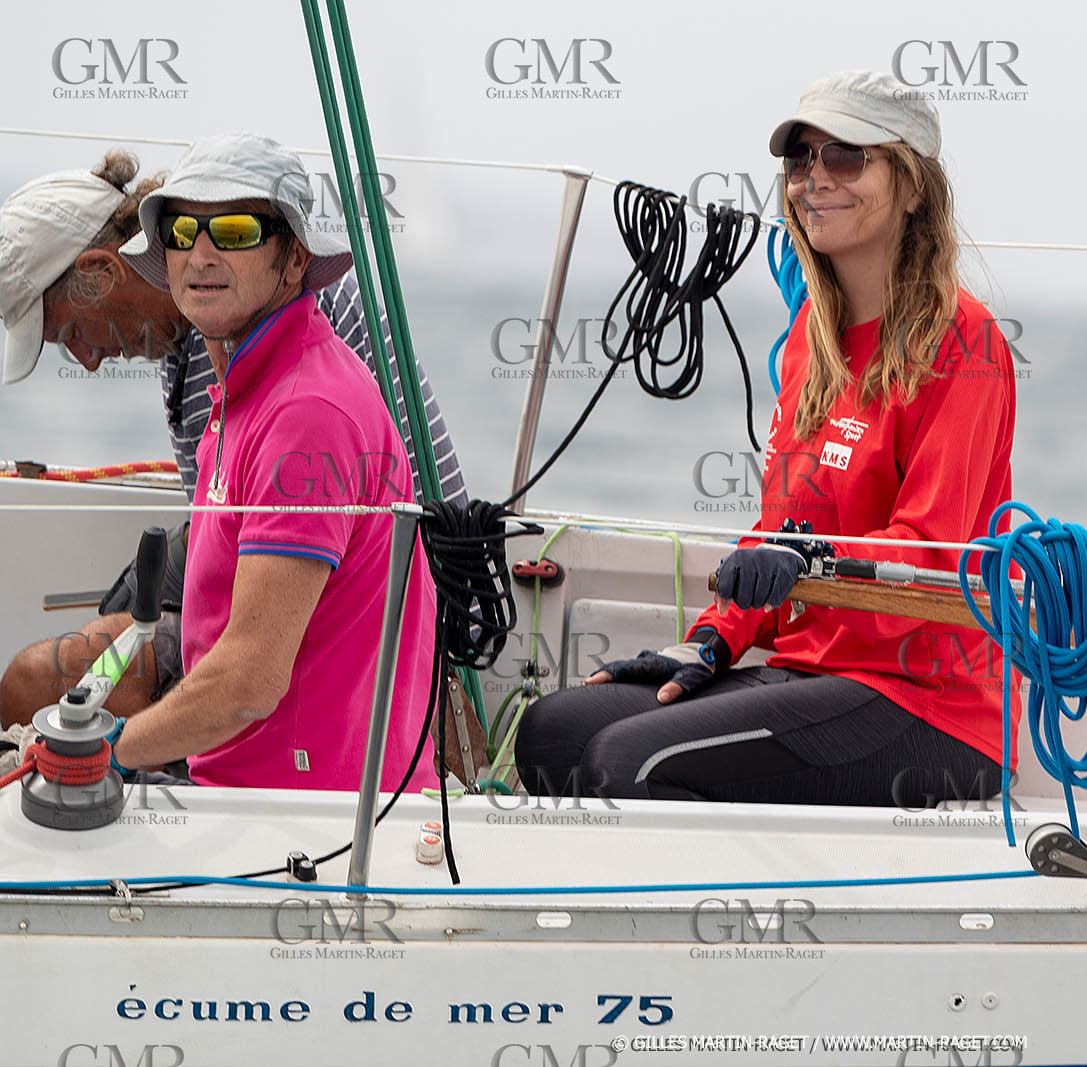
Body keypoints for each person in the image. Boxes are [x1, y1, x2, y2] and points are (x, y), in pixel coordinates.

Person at [514, 71, 1019, 805]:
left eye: (845, 157)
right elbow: (779, 535)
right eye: (800, 159)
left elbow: (933, 550)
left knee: (627, 759)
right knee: (553, 731)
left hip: (927, 701)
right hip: (812, 667)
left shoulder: (963, 341)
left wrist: (805, 558)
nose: (814, 179)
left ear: (913, 186)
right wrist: (713, 639)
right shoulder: (809, 345)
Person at [15, 134, 435, 788]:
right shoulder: (235, 391)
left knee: (39, 701)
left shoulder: (305, 410)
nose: (203, 253)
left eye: (235, 231)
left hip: (303, 819)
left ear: (294, 259)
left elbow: (247, 682)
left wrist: (108, 748)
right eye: (183, 231)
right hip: (251, 783)